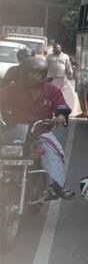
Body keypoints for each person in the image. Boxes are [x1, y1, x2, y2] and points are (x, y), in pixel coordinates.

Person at [0, 57, 75, 199]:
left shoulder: (52, 90)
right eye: (30, 74)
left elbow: (61, 105)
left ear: (44, 74)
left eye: (37, 74)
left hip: (40, 131)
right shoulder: (13, 87)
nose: (34, 77)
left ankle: (56, 185)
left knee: (56, 151)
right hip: (15, 131)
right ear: (23, 73)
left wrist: (61, 116)